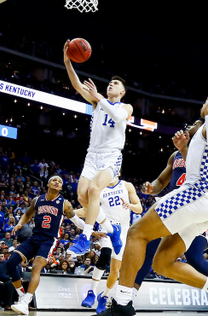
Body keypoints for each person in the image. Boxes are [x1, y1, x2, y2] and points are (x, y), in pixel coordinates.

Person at [89, 91, 208, 316]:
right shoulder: (203, 131)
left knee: (136, 233)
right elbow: (202, 160)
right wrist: (184, 148)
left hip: (197, 194)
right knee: (162, 263)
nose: (203, 103)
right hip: (204, 204)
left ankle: (122, 304)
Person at [64, 41, 133, 257]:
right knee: (83, 198)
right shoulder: (96, 102)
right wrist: (67, 61)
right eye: (110, 83)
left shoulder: (125, 106)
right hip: (92, 155)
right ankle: (113, 230)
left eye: (115, 84)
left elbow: (118, 116)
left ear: (122, 91)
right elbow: (77, 85)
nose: (111, 84)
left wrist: (99, 97)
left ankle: (84, 238)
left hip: (111, 156)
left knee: (94, 190)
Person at [7, 175, 86, 315]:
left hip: (49, 240)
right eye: (54, 180)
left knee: (36, 267)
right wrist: (20, 224)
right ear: (48, 184)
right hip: (34, 237)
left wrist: (90, 229)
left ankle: (26, 302)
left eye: (60, 182)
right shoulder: (37, 200)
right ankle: (21, 295)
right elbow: (28, 214)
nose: (57, 182)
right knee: (11, 262)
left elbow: (75, 220)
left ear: (61, 187)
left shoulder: (64, 203)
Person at [81, 176, 142, 313]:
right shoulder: (98, 188)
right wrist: (70, 213)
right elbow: (88, 209)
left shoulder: (127, 185)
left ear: (118, 171)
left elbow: (139, 208)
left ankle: (104, 297)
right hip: (107, 227)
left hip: (123, 230)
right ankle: (91, 292)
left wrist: (130, 206)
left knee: (115, 271)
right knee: (105, 254)